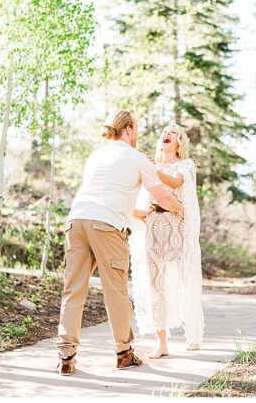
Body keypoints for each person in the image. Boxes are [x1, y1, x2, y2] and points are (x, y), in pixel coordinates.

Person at [55, 110, 184, 376]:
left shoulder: (96, 155)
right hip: (106, 225)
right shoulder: (137, 158)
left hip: (76, 220)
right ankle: (124, 353)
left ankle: (66, 356)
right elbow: (160, 195)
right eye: (136, 128)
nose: (138, 134)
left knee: (73, 290)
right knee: (115, 291)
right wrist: (181, 210)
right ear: (127, 129)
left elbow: (109, 191)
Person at [128, 123, 204, 359]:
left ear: (179, 143)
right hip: (153, 226)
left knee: (186, 279)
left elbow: (174, 183)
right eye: (164, 134)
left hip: (177, 227)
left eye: (173, 134)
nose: (167, 136)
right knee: (155, 284)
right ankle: (162, 344)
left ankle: (193, 334)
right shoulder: (151, 166)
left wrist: (150, 169)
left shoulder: (185, 165)